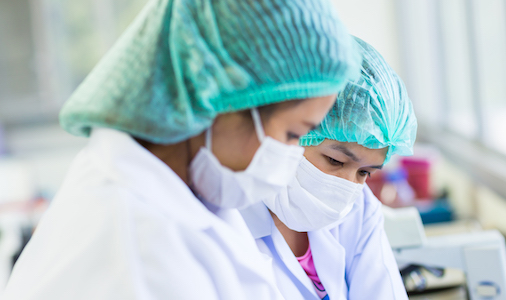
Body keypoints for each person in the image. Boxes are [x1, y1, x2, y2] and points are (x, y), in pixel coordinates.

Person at [2, 0, 362, 299]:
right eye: (291, 134)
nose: (292, 155)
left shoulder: (188, 191)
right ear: (219, 99)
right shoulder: (136, 251)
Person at [240, 37, 417, 299]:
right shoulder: (230, 212)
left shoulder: (360, 209)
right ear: (289, 133)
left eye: (364, 172)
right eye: (335, 161)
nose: (346, 185)